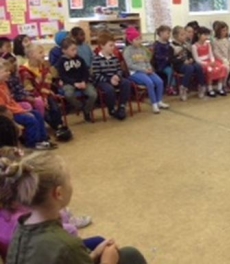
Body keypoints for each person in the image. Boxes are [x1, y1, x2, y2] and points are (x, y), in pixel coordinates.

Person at [1, 152, 148, 264]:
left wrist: (94, 254)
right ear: (58, 193)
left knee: (128, 254)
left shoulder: (20, 230)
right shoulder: (66, 245)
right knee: (131, 256)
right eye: (69, 180)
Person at [19, 45, 72, 142]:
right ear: (31, 55)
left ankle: (58, 126)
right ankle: (49, 127)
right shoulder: (24, 70)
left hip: (45, 93)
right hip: (32, 97)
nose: (43, 55)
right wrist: (41, 97)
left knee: (54, 106)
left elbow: (48, 81)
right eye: (40, 53)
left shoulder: (45, 66)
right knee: (42, 107)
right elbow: (29, 88)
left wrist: (45, 96)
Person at [0, 59, 56, 150]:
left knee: (36, 114)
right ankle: (32, 144)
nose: (9, 73)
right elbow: (4, 108)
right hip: (6, 115)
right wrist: (21, 111)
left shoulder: (3, 84)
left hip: (15, 110)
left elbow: (11, 100)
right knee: (30, 119)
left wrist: (21, 110)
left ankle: (43, 139)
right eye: (5, 71)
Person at [124, 27, 169, 114]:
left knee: (159, 81)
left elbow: (147, 61)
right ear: (130, 41)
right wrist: (144, 70)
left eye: (140, 39)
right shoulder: (127, 51)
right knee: (149, 83)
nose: (139, 41)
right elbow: (130, 65)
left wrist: (149, 68)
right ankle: (154, 104)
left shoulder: (142, 49)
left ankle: (159, 101)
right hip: (135, 72)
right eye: (136, 39)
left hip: (146, 71)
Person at [56, 38, 98, 123]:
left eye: (76, 49)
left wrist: (84, 81)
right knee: (68, 94)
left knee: (93, 94)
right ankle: (80, 106)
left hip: (82, 81)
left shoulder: (80, 59)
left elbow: (85, 72)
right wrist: (74, 83)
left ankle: (86, 110)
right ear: (64, 50)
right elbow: (63, 76)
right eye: (72, 50)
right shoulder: (61, 62)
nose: (75, 52)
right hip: (69, 83)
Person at [92, 33, 131, 120]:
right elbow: (96, 74)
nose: (113, 47)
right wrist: (110, 80)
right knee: (109, 89)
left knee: (126, 83)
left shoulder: (114, 57)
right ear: (102, 46)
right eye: (110, 45)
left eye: (114, 45)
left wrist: (117, 76)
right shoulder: (96, 59)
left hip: (115, 78)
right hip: (103, 81)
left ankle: (122, 106)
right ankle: (112, 109)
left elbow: (119, 70)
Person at [169, 26, 206, 101]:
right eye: (181, 35)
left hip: (188, 63)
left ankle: (201, 86)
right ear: (175, 36)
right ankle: (183, 88)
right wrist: (183, 61)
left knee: (198, 67)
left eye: (184, 34)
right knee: (190, 68)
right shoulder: (171, 46)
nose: (184, 36)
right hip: (178, 65)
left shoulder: (186, 44)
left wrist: (190, 59)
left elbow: (190, 55)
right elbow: (171, 59)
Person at [192, 27, 228, 98]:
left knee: (222, 67)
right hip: (202, 63)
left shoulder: (208, 44)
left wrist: (212, 61)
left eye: (207, 35)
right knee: (210, 70)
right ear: (199, 35)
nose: (206, 37)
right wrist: (207, 64)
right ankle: (209, 88)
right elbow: (196, 59)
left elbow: (211, 54)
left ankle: (219, 87)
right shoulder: (194, 46)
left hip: (210, 61)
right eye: (204, 35)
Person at [153, 26, 176, 96]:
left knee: (172, 69)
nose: (169, 35)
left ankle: (172, 86)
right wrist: (167, 58)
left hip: (168, 63)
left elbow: (171, 54)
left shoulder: (169, 44)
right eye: (168, 33)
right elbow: (158, 57)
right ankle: (170, 87)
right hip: (160, 65)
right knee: (170, 71)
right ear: (161, 33)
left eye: (169, 34)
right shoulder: (157, 45)